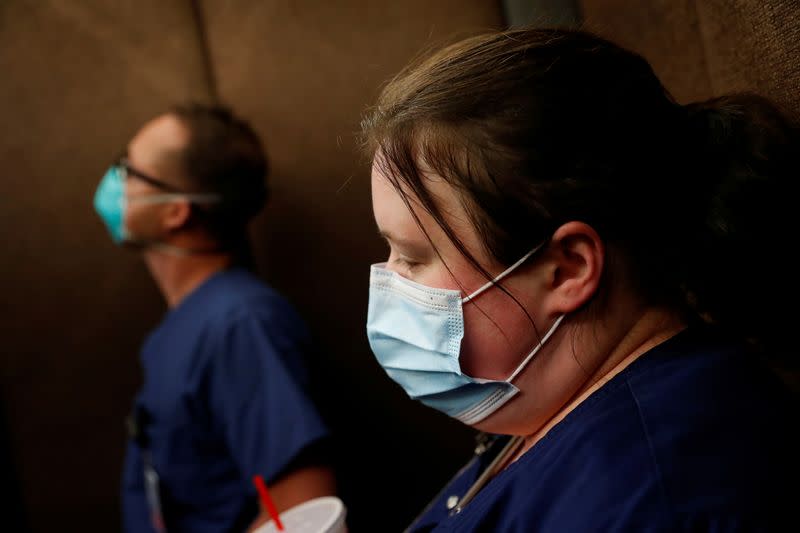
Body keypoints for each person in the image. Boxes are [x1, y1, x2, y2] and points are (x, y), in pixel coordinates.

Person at [362, 28, 799, 531]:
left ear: (568, 268)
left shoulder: (658, 496)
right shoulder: (550, 401)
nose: (388, 282)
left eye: (414, 258)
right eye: (390, 251)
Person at [94, 104, 336, 532]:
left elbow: (303, 513)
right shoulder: (185, 327)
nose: (116, 182)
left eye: (129, 170)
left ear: (176, 211)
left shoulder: (241, 323)